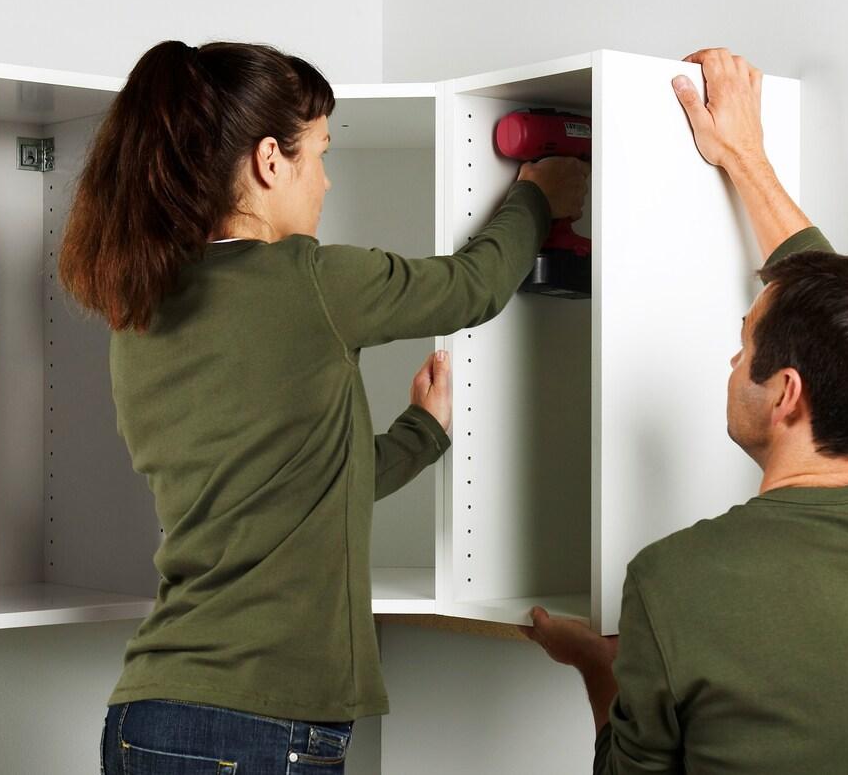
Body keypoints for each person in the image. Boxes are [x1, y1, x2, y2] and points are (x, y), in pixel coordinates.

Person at [58, 40, 589, 774]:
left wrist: (421, 432)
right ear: (269, 161)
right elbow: (473, 286)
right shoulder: (310, 280)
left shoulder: (139, 316)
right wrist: (539, 190)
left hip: (144, 717)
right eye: (320, 154)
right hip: (259, 727)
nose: (328, 182)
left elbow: (300, 490)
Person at [524, 47, 848, 775]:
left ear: (785, 392)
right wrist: (747, 158)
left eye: (743, 343)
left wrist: (600, 668)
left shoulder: (672, 581)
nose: (730, 363)